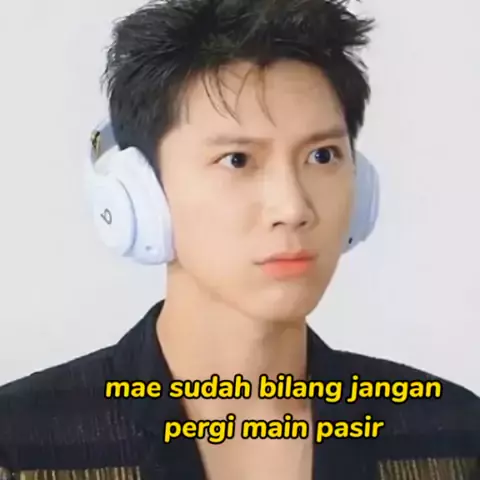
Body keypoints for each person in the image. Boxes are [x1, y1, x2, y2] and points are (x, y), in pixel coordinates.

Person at [0, 0, 479, 478]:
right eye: (237, 160)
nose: (293, 209)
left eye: (322, 156)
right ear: (140, 196)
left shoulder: (452, 435)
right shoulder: (23, 445)